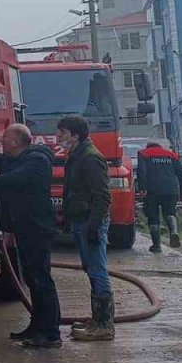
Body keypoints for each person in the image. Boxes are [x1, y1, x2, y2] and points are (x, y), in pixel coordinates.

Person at [0, 124, 62, 348]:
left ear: (16, 142)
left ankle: (51, 334)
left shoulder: (37, 161)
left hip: (37, 229)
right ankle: (37, 327)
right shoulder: (11, 158)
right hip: (24, 228)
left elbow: (11, 181)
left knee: (42, 281)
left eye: (5, 138)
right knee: (33, 281)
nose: (1, 141)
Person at [57, 115, 114, 342]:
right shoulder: (77, 156)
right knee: (91, 268)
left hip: (90, 221)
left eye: (62, 133)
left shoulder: (90, 158)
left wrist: (94, 225)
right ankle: (97, 320)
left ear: (75, 134)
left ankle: (104, 325)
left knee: (98, 270)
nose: (58, 137)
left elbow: (102, 196)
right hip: (82, 220)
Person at [137, 141, 182, 252]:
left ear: (148, 147)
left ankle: (157, 246)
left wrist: (142, 188)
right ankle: (174, 232)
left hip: (152, 191)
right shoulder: (171, 155)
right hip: (171, 190)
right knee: (170, 212)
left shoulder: (143, 154)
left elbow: (142, 172)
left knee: (153, 217)